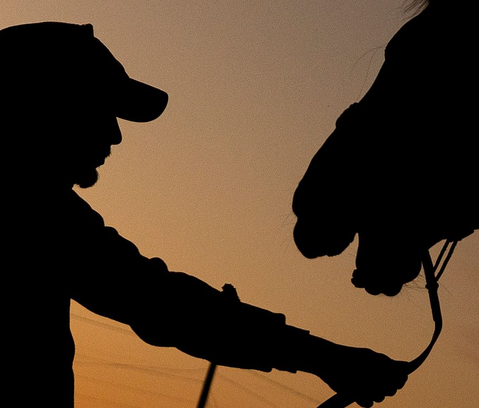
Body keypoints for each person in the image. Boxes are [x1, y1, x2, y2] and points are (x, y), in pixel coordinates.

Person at [0, 21, 407, 408]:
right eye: (100, 110)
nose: (115, 134)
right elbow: (162, 303)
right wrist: (327, 358)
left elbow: (159, 300)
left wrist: (326, 358)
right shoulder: (37, 217)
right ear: (47, 105)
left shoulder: (43, 212)